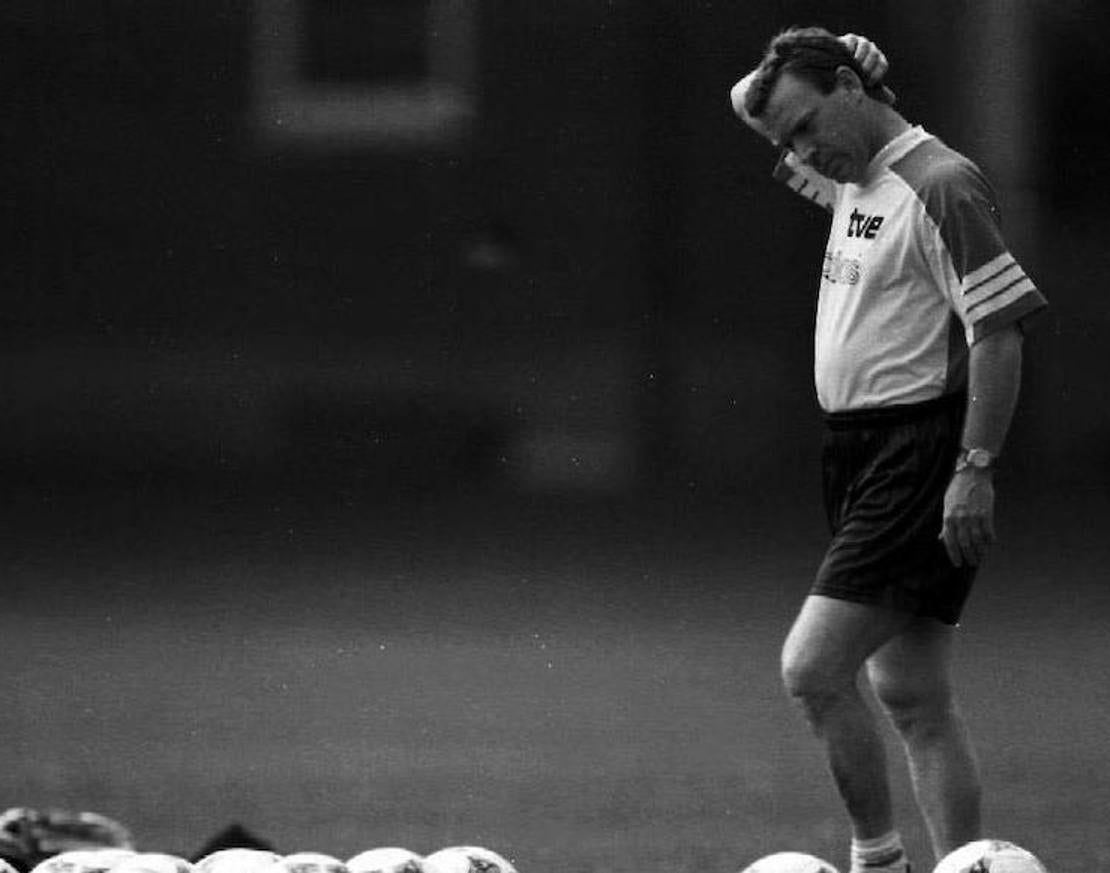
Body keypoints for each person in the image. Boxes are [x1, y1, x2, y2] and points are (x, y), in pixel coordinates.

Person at [728, 27, 1047, 873]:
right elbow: (746, 102)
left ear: (848, 89)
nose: (801, 151)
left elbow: (1000, 334)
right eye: (787, 140)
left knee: (812, 667)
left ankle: (879, 861)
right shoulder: (849, 180)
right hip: (859, 452)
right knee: (912, 696)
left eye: (806, 127)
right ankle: (966, 865)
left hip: (918, 452)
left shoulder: (939, 183)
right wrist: (811, 56)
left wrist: (974, 470)